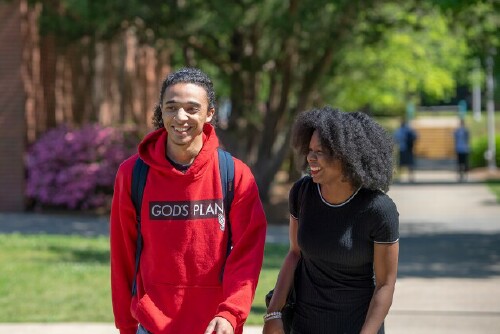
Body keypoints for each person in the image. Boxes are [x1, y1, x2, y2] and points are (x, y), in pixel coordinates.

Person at [110, 67, 267, 334]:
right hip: (152, 326)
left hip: (215, 327)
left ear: (210, 114)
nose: (180, 117)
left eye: (192, 108)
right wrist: (126, 327)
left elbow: (247, 255)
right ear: (161, 111)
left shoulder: (235, 175)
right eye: (171, 107)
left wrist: (231, 314)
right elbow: (123, 254)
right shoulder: (133, 174)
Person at [263, 106, 399, 334]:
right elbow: (295, 253)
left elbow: (385, 284)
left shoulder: (378, 209)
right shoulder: (302, 192)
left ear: (347, 156)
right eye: (309, 150)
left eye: (320, 152)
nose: (310, 158)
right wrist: (274, 313)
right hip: (304, 324)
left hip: (356, 325)